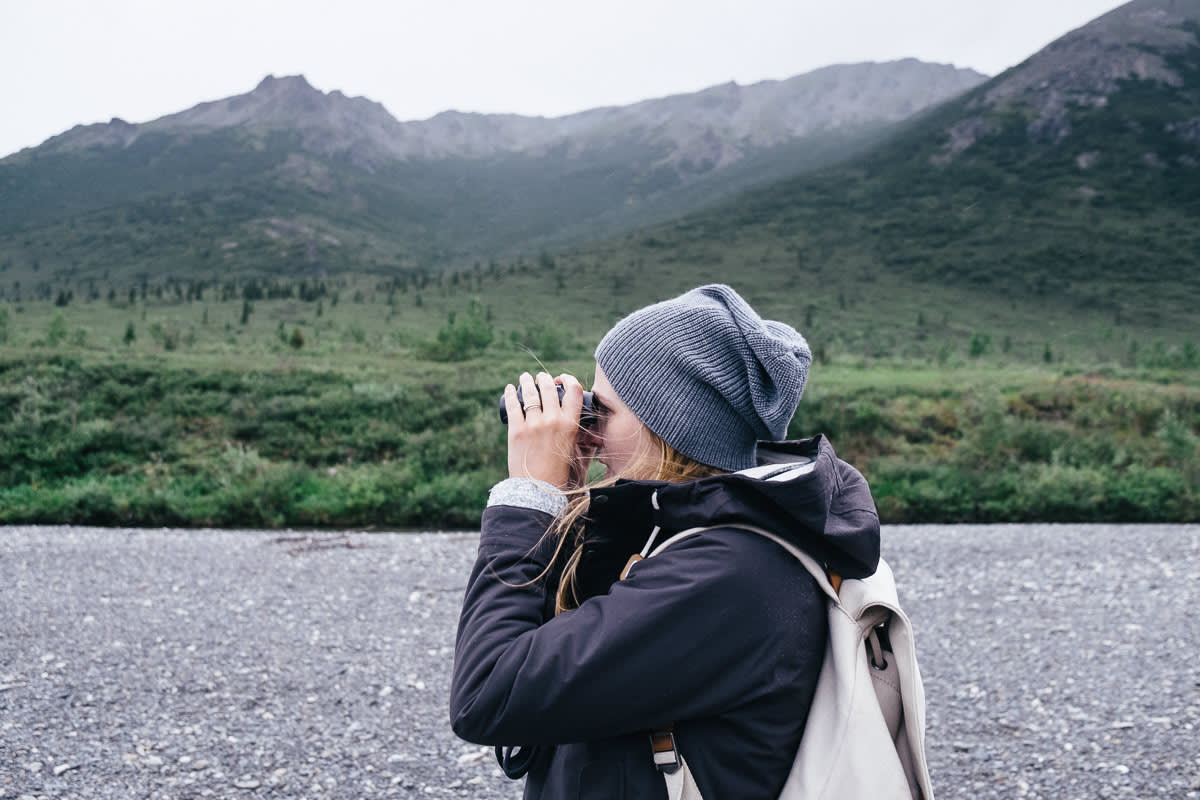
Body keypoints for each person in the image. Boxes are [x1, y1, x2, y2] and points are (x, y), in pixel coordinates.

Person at [449, 284, 880, 799]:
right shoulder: (702, 533)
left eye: (602, 410)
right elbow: (572, 647)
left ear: (669, 427)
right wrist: (565, 497)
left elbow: (489, 692)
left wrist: (529, 495)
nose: (586, 426)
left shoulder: (725, 575)